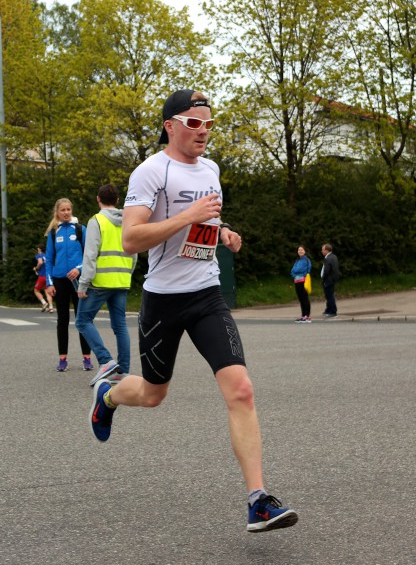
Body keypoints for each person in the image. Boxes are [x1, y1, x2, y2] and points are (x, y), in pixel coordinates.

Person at [88, 89, 298, 533]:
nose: (203, 131)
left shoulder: (212, 170)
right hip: (163, 300)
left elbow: (206, 220)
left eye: (209, 123)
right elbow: (131, 239)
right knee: (152, 393)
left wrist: (222, 232)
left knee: (241, 389)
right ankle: (107, 396)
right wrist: (190, 216)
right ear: (171, 126)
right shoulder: (150, 172)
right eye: (194, 123)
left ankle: (258, 501)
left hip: (206, 295)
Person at [76, 184, 137, 386]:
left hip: (100, 282)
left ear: (98, 199)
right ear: (118, 200)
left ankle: (106, 361)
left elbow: (90, 255)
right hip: (121, 280)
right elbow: (134, 252)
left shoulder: (97, 221)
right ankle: (123, 371)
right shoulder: (128, 220)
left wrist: (83, 284)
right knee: (120, 326)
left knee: (83, 321)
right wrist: (127, 273)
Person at [45, 198, 93, 372]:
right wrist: (49, 283)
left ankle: (86, 358)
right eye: (62, 210)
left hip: (77, 280)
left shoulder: (81, 230)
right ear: (57, 212)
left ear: (71, 211)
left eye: (68, 209)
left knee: (82, 319)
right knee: (62, 320)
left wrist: (79, 269)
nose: (66, 213)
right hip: (59, 280)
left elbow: (89, 255)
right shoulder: (53, 232)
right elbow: (49, 260)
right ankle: (63, 359)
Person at [290, 245, 312, 322]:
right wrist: (294, 273)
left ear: (305, 251)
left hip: (303, 281)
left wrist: (295, 272)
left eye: (302, 250)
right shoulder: (297, 260)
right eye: (299, 250)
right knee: (301, 299)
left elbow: (299, 269)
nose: (300, 251)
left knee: (305, 298)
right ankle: (303, 315)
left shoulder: (305, 260)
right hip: (297, 281)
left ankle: (307, 316)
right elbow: (292, 270)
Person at [33, 244, 54, 312]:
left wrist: (36, 268)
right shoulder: (47, 256)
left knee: (36, 290)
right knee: (47, 291)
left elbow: (40, 262)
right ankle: (51, 307)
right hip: (48, 276)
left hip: (42, 276)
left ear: (39, 249)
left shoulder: (39, 255)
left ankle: (44, 303)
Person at [321, 243, 340, 318]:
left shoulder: (328, 258)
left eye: (322, 250)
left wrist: (323, 278)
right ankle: (328, 309)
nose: (321, 251)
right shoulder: (334, 256)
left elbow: (326, 271)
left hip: (328, 280)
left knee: (329, 296)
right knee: (328, 295)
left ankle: (333, 311)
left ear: (326, 250)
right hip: (332, 279)